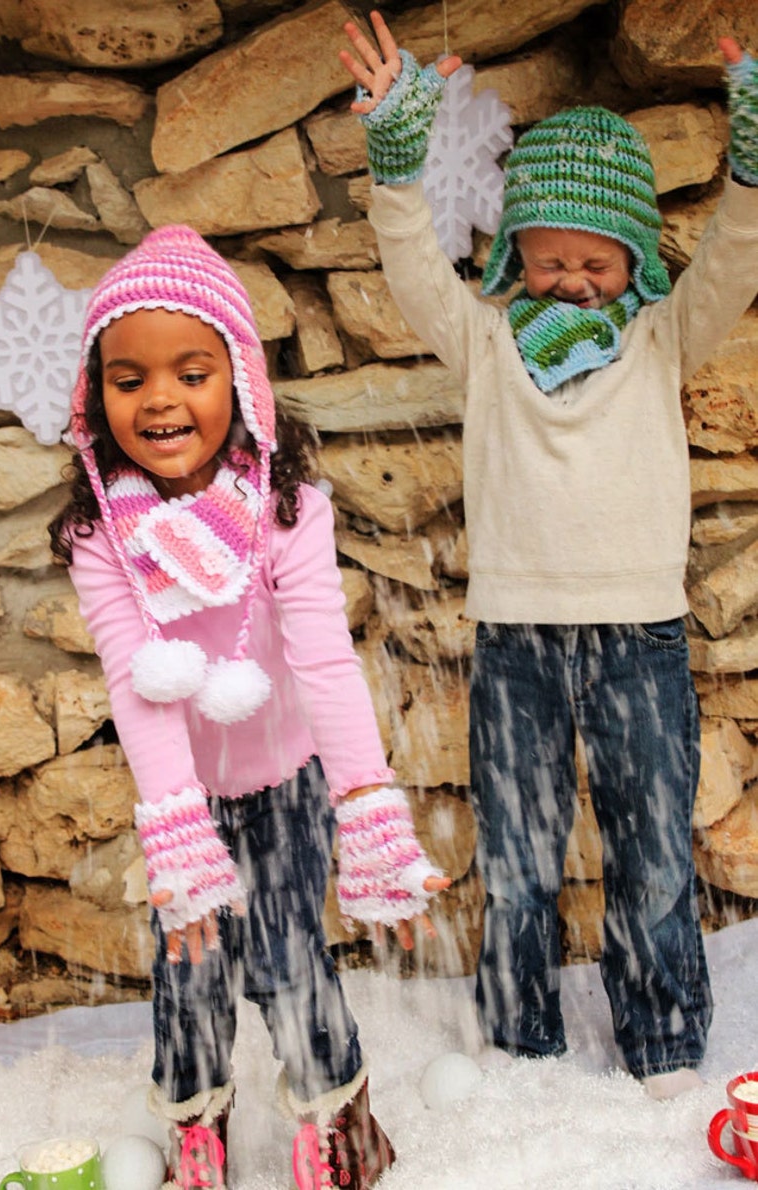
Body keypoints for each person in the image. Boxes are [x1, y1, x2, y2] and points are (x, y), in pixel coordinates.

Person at [339, 12, 758, 1100]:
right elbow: (411, 265)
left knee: (653, 850)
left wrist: (749, 164)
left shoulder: (663, 335)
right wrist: (397, 158)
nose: (569, 279)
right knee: (518, 856)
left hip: (638, 631)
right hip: (516, 633)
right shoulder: (482, 338)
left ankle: (662, 1038)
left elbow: (726, 259)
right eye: (546, 257)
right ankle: (518, 1032)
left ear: (628, 255)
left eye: (592, 260)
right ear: (514, 251)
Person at [49, 223, 451, 1190]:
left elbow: (322, 659)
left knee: (285, 957)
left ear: (240, 380)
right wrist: (180, 844)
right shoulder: (99, 533)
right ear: (97, 398)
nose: (161, 400)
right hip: (183, 798)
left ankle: (338, 1128)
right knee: (187, 970)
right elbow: (134, 683)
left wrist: (370, 808)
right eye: (129, 379)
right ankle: (200, 1126)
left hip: (285, 780)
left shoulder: (286, 509)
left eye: (191, 371)